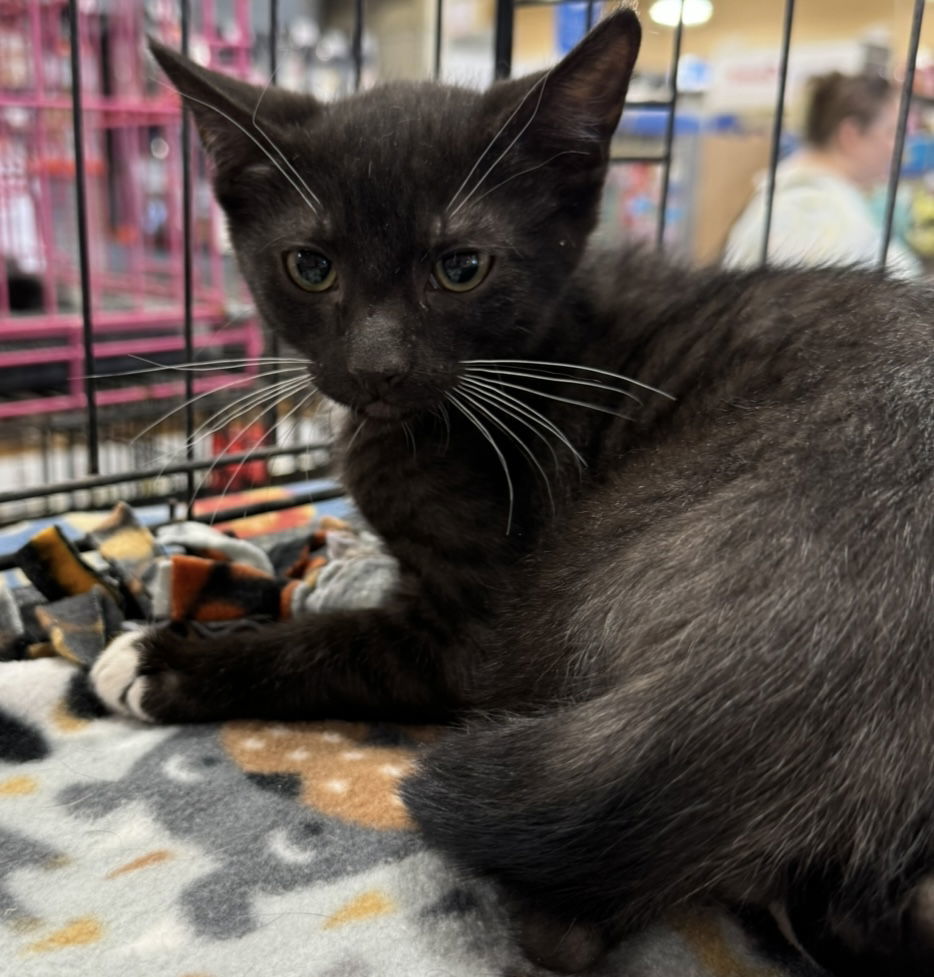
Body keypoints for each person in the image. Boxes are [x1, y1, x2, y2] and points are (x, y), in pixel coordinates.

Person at [724, 71, 922, 278]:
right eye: (893, 133)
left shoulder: (801, 200)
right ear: (851, 134)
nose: (902, 150)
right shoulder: (810, 216)